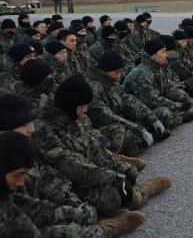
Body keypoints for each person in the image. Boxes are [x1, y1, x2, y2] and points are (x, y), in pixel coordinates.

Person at [33, 75, 172, 216]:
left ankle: (131, 193)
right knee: (111, 196)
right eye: (82, 106)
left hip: (85, 175)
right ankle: (141, 192)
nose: (85, 110)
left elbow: (94, 147)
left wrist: (121, 168)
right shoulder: (45, 131)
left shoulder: (70, 118)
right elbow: (73, 166)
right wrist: (116, 178)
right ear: (70, 104)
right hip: (64, 185)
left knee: (124, 178)